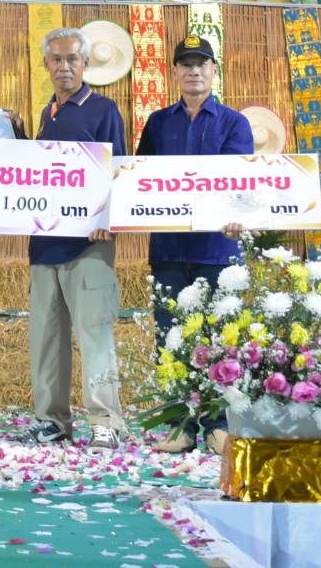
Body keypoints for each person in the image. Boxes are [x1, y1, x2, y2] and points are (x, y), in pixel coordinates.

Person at [136, 33, 249, 454]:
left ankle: (217, 425)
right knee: (170, 340)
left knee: (219, 338)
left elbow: (240, 182)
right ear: (175, 72)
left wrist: (239, 216)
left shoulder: (234, 123)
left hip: (217, 251)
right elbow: (139, 179)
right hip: (168, 250)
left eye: (201, 64)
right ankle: (180, 426)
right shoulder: (157, 123)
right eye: (186, 64)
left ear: (214, 71)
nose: (194, 71)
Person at [24, 27, 127, 450]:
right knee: (46, 340)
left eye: (72, 59)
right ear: (46, 64)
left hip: (88, 245)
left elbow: (119, 169)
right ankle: (51, 420)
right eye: (56, 59)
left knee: (94, 335)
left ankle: (106, 421)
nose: (64, 67)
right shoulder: (46, 113)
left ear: (85, 64)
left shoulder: (103, 110)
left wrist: (108, 217)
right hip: (44, 244)